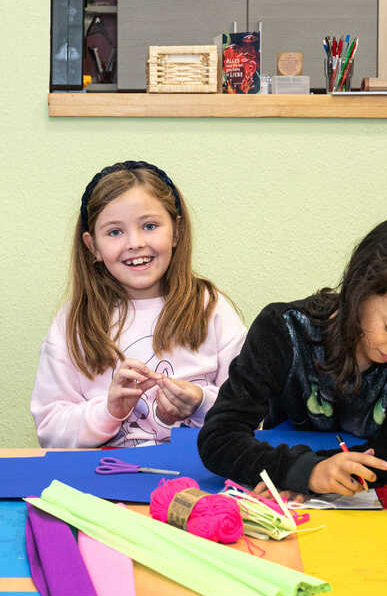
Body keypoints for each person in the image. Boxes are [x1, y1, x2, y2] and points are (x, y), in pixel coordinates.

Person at [198, 211, 387, 496]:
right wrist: (302, 472)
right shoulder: (283, 329)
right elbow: (219, 437)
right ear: (360, 288)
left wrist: (317, 474)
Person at [31, 161, 246, 447]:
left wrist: (201, 403)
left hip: (197, 478)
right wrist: (109, 411)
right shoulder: (73, 322)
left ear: (177, 232)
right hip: (102, 481)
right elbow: (50, 431)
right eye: (115, 232)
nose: (135, 242)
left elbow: (248, 411)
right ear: (92, 245)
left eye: (149, 226)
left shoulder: (210, 308)